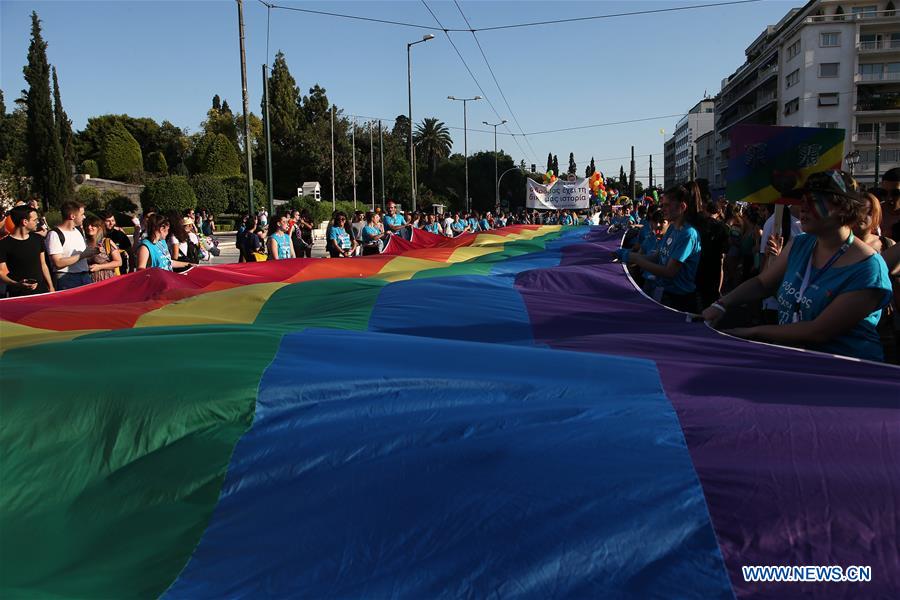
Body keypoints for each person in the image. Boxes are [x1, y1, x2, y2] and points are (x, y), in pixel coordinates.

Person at [702, 170, 892, 362]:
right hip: (796, 363)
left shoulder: (867, 268)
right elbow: (762, 283)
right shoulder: (801, 243)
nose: (803, 207)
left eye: (815, 201)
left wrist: (753, 333)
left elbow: (818, 332)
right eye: (803, 200)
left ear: (843, 208)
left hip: (844, 375)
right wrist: (721, 304)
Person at [616, 183, 702, 312]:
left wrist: (638, 260)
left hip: (679, 299)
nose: (662, 209)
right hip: (663, 293)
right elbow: (657, 256)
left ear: (682, 207)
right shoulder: (672, 228)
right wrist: (630, 255)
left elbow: (669, 272)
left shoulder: (688, 234)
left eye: (667, 205)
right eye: (662, 205)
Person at [0, 205, 54, 297]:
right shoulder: (4, 244)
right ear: (25, 222)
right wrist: (17, 284)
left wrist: (51, 287)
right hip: (18, 295)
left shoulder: (38, 239)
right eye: (35, 220)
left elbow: (43, 264)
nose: (37, 222)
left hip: (41, 291)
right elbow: (1, 272)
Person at [46, 200, 98, 291]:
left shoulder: (78, 231)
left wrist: (92, 252)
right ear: (72, 216)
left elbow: (83, 256)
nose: (84, 217)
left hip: (85, 276)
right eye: (82, 214)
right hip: (67, 279)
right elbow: (58, 263)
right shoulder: (54, 234)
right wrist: (82, 255)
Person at [83, 216, 123, 283]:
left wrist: (99, 267)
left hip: (107, 282)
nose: (89, 227)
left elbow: (119, 262)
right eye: (87, 225)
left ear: (99, 228)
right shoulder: (83, 243)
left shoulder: (106, 242)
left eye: (93, 225)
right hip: (88, 282)